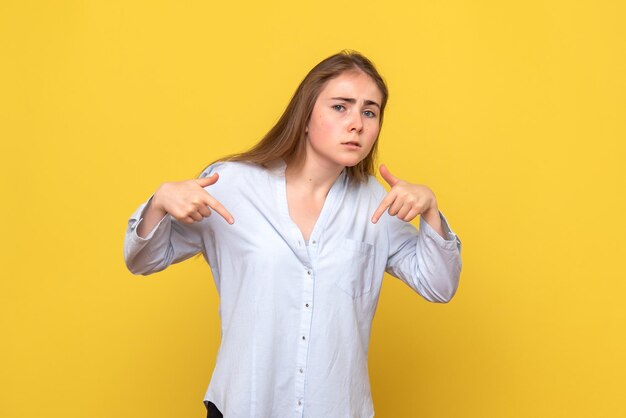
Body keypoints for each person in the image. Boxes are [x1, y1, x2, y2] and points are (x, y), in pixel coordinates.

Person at [124, 50, 462, 418]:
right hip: (244, 406)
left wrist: (430, 210)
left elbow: (438, 285)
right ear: (305, 115)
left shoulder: (375, 204)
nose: (357, 124)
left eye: (369, 111)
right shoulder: (232, 185)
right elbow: (143, 260)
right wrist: (158, 203)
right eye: (340, 107)